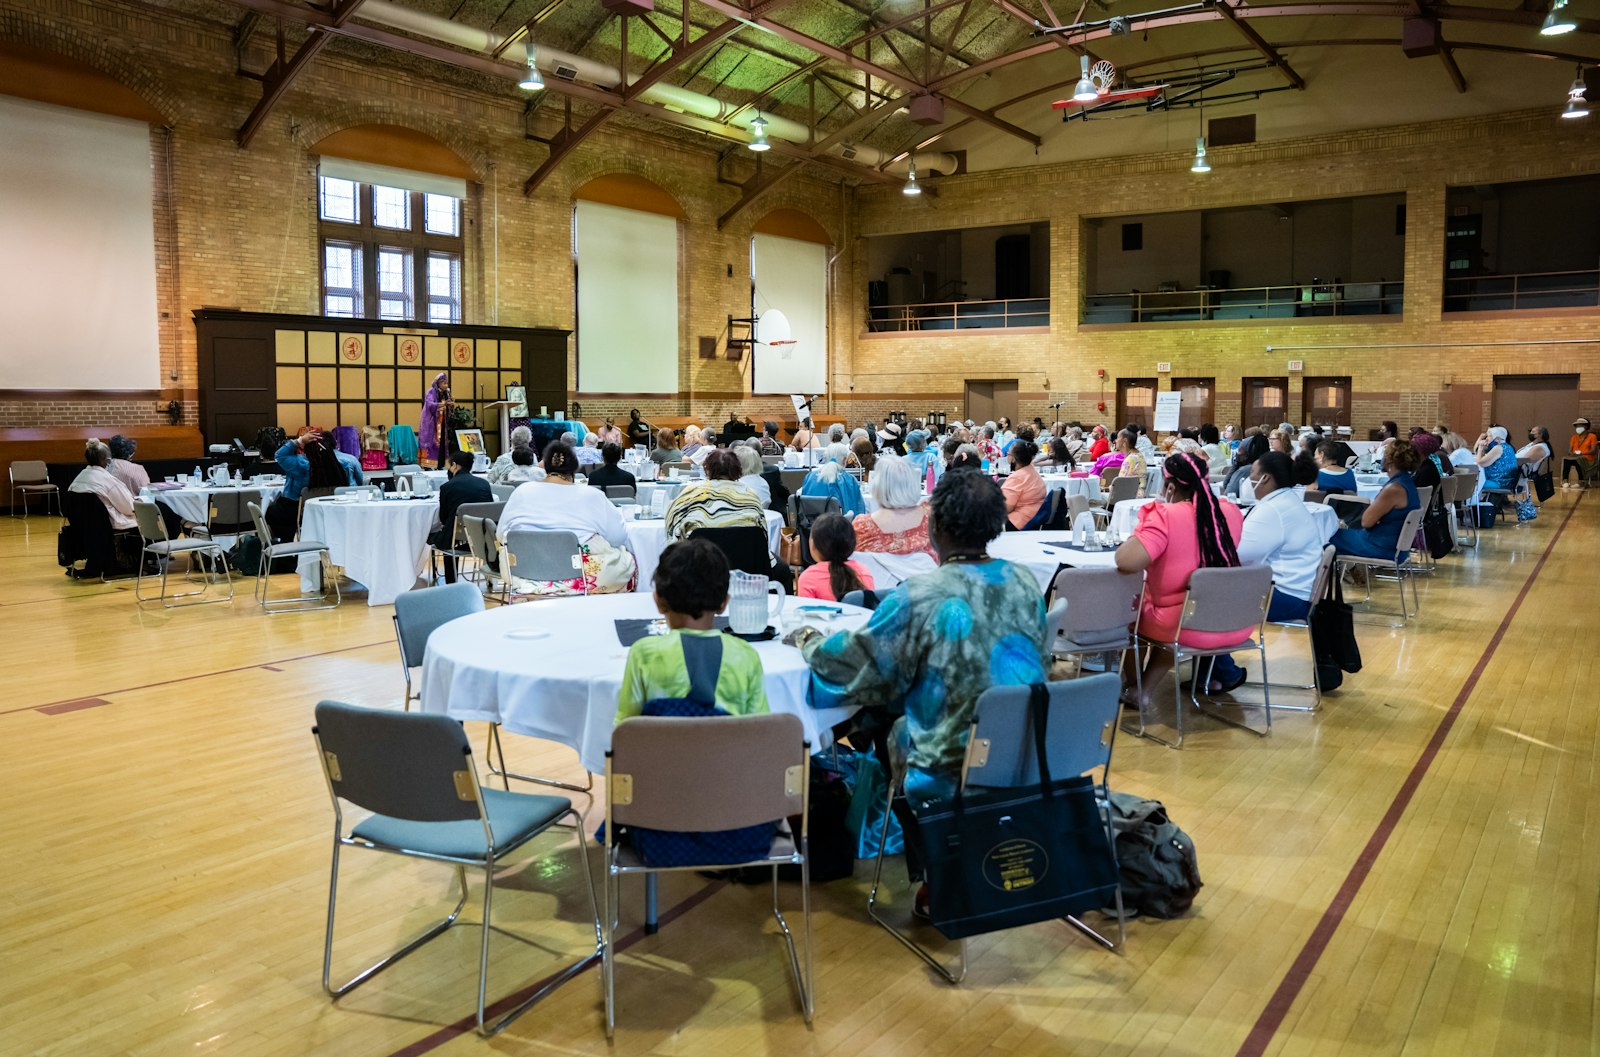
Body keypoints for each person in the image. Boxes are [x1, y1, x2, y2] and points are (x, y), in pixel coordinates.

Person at [793, 469, 1049, 812]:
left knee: (871, 709)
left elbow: (856, 665)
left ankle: (890, 819)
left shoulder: (920, 595)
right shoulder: (1025, 582)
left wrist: (807, 638)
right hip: (1022, 743)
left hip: (946, 757)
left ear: (934, 526)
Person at [614, 539, 773, 867]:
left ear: (658, 601)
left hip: (657, 824)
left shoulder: (644, 654)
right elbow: (760, 739)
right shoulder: (746, 656)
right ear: (726, 601)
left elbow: (624, 736)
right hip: (738, 822)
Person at [1114, 451, 1248, 709]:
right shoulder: (1230, 513)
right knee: (1174, 611)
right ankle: (1142, 689)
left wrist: (1138, 533)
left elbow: (1126, 561)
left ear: (1171, 487)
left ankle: (1136, 687)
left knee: (1125, 616)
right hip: (1233, 620)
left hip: (1182, 625)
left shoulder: (1164, 516)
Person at [1207, 451, 1326, 693]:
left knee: (1207, 598)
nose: (1249, 482)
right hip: (1299, 591)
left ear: (1266, 479)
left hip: (1287, 597)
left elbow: (1237, 555)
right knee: (1213, 592)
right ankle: (1210, 673)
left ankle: (1224, 672)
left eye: (1252, 476)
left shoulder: (1273, 510)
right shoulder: (1287, 501)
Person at [497, 442, 636, 594]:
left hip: (523, 572)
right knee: (626, 561)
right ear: (574, 470)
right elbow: (618, 537)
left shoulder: (521, 491)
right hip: (579, 575)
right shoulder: (591, 495)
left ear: (545, 466)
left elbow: (500, 534)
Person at [1331, 438, 1420, 559]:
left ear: (1389, 459)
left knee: (1326, 536)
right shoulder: (1407, 483)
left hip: (1380, 546)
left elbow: (1366, 522)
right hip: (1394, 546)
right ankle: (1351, 575)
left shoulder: (1394, 489)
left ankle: (1333, 576)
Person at [268, 429, 361, 542]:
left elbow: (279, 455)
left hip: (301, 512)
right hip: (336, 511)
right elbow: (359, 484)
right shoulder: (346, 461)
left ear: (307, 447)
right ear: (334, 444)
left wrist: (300, 440)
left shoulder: (301, 464)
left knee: (273, 511)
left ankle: (284, 544)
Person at [663, 449, 766, 541]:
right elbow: (763, 532)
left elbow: (672, 520)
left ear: (707, 469)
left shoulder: (691, 491)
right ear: (738, 469)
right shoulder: (750, 494)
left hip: (699, 557)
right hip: (745, 560)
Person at [429, 449, 492, 584]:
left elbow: (443, 518)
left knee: (440, 535)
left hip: (455, 539)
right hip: (481, 538)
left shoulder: (447, 487)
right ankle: (490, 580)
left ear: (455, 466)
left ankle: (451, 582)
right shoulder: (484, 484)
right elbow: (490, 510)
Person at [853, 454, 935, 556]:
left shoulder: (862, 526)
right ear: (913, 483)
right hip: (928, 571)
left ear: (877, 486)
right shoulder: (933, 519)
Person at [796, 512, 873, 601]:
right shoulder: (864, 572)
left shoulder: (808, 578)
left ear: (813, 544)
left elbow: (804, 613)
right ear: (852, 543)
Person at [69, 439, 137, 531]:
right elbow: (130, 508)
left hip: (83, 528)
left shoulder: (77, 481)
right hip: (109, 527)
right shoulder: (108, 481)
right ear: (108, 460)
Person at [800, 443, 866, 517]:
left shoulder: (809, 477)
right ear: (845, 460)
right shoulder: (849, 480)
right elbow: (859, 511)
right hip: (839, 526)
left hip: (811, 525)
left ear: (825, 458)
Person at [1001, 438, 1046, 529]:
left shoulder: (1017, 477)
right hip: (1034, 518)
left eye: (1008, 454)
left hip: (1017, 523)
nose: (1007, 456)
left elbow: (1005, 508)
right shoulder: (1032, 472)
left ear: (1013, 458)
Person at [419, 372, 452, 467]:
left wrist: (449, 404)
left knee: (441, 443)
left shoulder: (445, 393)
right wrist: (443, 404)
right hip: (431, 421)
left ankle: (440, 463)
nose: (446, 385)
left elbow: (446, 404)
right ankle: (428, 465)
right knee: (430, 442)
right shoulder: (431, 391)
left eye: (447, 383)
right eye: (444, 383)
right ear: (438, 383)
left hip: (441, 422)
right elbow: (430, 404)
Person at [1474, 426, 1519, 494]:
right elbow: (1483, 461)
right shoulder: (1508, 446)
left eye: (1489, 436)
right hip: (1507, 481)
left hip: (1499, 483)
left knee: (1471, 483)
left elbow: (1480, 463)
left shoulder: (1498, 448)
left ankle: (1471, 503)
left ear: (1497, 438)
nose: (1486, 439)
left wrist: (1480, 448)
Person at [1224, 433, 1268, 497]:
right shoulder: (1268, 466)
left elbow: (1228, 492)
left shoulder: (1245, 470)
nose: (1237, 453)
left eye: (1239, 450)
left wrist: (1236, 462)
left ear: (1247, 454)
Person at [1564, 417, 1597, 488]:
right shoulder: (1574, 437)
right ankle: (1565, 481)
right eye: (1577, 425)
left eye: (1580, 425)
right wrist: (1571, 453)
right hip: (1575, 457)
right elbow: (1570, 450)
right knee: (1567, 460)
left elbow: (1593, 450)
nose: (1578, 427)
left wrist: (1581, 453)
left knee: (1578, 460)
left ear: (1586, 426)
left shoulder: (1592, 436)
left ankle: (1580, 482)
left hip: (1587, 458)